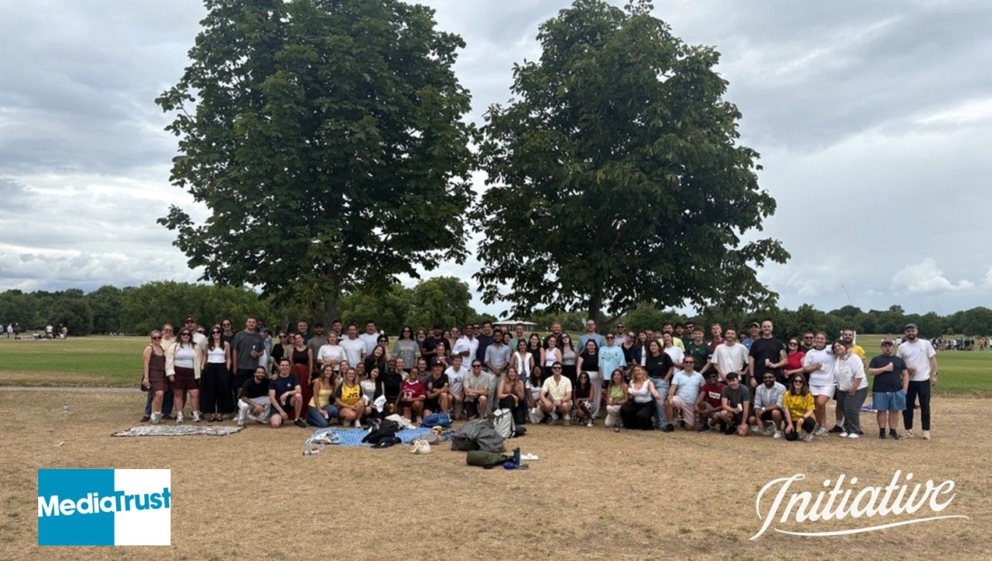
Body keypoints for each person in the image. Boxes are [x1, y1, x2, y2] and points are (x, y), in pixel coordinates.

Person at [897, 323, 938, 440]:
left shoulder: (926, 344)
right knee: (907, 406)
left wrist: (934, 374)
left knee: (925, 406)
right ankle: (908, 430)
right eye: (908, 331)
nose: (910, 333)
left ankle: (926, 430)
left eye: (912, 330)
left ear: (917, 331)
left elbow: (932, 359)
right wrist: (906, 371)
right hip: (908, 381)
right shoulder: (902, 347)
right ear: (905, 333)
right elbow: (899, 363)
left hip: (923, 379)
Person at [868, 339, 909, 440]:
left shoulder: (899, 360)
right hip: (880, 389)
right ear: (882, 348)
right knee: (881, 411)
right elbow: (871, 371)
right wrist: (884, 369)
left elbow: (905, 374)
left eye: (889, 346)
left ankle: (893, 430)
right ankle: (882, 430)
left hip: (896, 389)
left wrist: (905, 389)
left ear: (893, 347)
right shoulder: (876, 359)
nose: (887, 348)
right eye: (885, 346)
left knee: (894, 411)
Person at [166, 328, 203, 424]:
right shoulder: (174, 346)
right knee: (178, 394)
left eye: (188, 334)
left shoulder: (195, 347)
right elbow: (169, 360)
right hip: (178, 371)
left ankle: (195, 414)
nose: (186, 336)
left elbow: (199, 359)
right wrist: (170, 373)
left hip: (191, 372)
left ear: (190, 336)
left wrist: (199, 372)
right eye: (183, 334)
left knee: (194, 393)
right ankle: (179, 414)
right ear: (180, 335)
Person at [802, 332, 836, 436]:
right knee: (817, 406)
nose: (820, 340)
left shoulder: (831, 349)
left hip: (828, 382)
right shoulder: (810, 353)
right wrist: (815, 368)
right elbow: (805, 368)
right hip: (814, 382)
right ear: (815, 340)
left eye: (822, 338)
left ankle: (817, 424)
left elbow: (842, 348)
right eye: (818, 338)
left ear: (825, 340)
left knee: (821, 403)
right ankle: (822, 427)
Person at [833, 340, 868, 438]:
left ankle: (855, 430)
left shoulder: (854, 358)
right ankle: (847, 429)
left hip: (858, 388)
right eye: (835, 347)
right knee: (845, 409)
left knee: (851, 408)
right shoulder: (837, 359)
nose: (837, 348)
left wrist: (854, 387)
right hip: (842, 388)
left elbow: (859, 375)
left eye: (839, 346)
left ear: (845, 347)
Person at [201, 325, 233, 422]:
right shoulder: (208, 344)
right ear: (211, 334)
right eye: (213, 333)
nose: (216, 334)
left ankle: (220, 413)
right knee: (210, 390)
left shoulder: (226, 344)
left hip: (221, 367)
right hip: (210, 367)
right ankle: (211, 413)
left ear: (220, 333)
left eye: (217, 332)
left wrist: (227, 368)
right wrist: (202, 366)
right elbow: (205, 356)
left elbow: (228, 357)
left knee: (222, 391)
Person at [664, 357, 705, 431]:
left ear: (694, 364)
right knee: (668, 403)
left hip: (691, 403)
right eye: (686, 362)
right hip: (680, 399)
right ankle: (670, 424)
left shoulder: (699, 376)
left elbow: (703, 391)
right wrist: (670, 396)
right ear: (683, 364)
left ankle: (683, 419)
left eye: (690, 362)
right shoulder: (678, 375)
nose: (688, 364)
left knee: (689, 428)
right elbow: (673, 387)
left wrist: (698, 402)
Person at [231, 317, 265, 402]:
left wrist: (257, 354)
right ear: (246, 323)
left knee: (251, 389)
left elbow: (262, 352)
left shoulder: (258, 337)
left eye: (253, 322)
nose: (251, 324)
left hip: (254, 368)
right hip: (241, 366)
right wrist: (235, 366)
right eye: (249, 322)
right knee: (240, 389)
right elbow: (235, 351)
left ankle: (250, 409)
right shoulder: (239, 335)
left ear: (256, 324)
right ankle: (239, 408)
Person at [620, 365, 662, 431]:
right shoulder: (631, 382)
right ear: (633, 373)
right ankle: (634, 425)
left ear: (643, 371)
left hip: (648, 405)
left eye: (639, 370)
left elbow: (653, 390)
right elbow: (631, 395)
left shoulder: (648, 382)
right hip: (636, 404)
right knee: (624, 409)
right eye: (635, 371)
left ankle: (648, 425)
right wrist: (628, 394)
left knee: (641, 415)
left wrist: (657, 396)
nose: (637, 372)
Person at [644, 340, 674, 429]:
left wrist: (665, 379)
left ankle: (663, 423)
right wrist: (648, 378)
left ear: (658, 346)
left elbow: (671, 368)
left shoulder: (665, 356)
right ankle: (657, 422)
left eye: (654, 345)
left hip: (662, 381)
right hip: (651, 381)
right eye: (651, 346)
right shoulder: (648, 358)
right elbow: (646, 370)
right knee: (653, 402)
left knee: (660, 402)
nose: (653, 347)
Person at [748, 320, 787, 388]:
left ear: (772, 328)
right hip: (759, 377)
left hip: (775, 376)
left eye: (768, 326)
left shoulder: (778, 343)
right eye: (764, 326)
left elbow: (785, 360)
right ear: (761, 329)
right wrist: (752, 377)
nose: (766, 328)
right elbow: (751, 361)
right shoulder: (756, 344)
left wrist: (775, 365)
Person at [269, 358, 306, 428]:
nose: (284, 367)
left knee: (298, 396)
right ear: (279, 367)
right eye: (282, 365)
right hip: (277, 406)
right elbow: (272, 398)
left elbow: (299, 390)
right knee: (275, 424)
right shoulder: (274, 379)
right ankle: (280, 417)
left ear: (289, 367)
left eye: (286, 365)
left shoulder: (293, 377)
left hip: (289, 403)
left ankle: (297, 419)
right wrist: (281, 411)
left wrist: (287, 393)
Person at [141, 331, 169, 424]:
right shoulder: (149, 349)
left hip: (162, 374)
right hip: (153, 373)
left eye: (159, 337)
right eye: (155, 338)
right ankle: (153, 415)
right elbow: (146, 363)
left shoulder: (161, 348)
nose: (157, 339)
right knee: (159, 393)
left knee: (160, 395)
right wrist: (146, 377)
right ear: (151, 339)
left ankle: (156, 414)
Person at [597, 333, 626, 419]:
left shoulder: (619, 349)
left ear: (614, 339)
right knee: (607, 395)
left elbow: (621, 364)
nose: (610, 339)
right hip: (605, 375)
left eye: (612, 337)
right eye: (608, 337)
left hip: (615, 376)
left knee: (617, 393)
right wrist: (601, 375)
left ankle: (617, 413)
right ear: (605, 339)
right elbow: (600, 364)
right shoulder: (602, 349)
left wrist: (620, 377)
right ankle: (609, 413)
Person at [749, 372, 786, 438]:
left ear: (774, 378)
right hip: (764, 411)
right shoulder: (759, 388)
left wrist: (764, 409)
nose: (767, 379)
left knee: (775, 412)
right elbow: (757, 404)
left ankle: (778, 430)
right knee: (751, 419)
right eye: (765, 378)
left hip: (777, 410)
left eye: (770, 377)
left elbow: (779, 404)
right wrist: (758, 419)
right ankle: (770, 425)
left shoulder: (781, 388)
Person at [783, 374, 817, 442]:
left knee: (810, 422)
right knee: (789, 437)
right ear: (793, 382)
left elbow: (811, 410)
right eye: (796, 381)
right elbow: (786, 410)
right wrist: (790, 424)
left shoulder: (808, 395)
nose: (798, 383)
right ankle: (798, 432)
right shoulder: (787, 394)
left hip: (804, 418)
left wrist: (803, 418)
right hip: (793, 419)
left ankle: (808, 432)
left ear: (803, 383)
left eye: (800, 381)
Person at [575, 340, 600, 420]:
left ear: (595, 346)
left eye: (592, 345)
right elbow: (578, 366)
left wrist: (602, 377)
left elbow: (600, 367)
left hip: (596, 377)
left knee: (596, 396)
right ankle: (583, 413)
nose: (591, 347)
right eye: (589, 345)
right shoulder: (582, 355)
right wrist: (579, 377)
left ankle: (594, 414)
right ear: (587, 346)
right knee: (585, 395)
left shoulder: (599, 355)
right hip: (585, 378)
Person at [445, 355, 468, 420]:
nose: (457, 362)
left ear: (461, 362)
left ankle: (457, 411)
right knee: (449, 397)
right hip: (450, 393)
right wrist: (455, 396)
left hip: (460, 394)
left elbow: (465, 384)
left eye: (459, 361)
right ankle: (449, 411)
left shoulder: (465, 371)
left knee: (457, 417)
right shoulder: (447, 372)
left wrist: (462, 395)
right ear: (452, 361)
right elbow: (446, 387)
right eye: (456, 361)